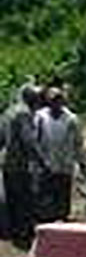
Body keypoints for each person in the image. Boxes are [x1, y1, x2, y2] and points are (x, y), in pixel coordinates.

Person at [34, 87, 83, 227]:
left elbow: (78, 143)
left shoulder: (72, 119)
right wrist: (39, 161)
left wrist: (81, 162)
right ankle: (46, 223)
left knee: (62, 197)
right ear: (48, 101)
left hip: (65, 165)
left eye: (58, 100)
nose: (55, 103)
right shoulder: (40, 116)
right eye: (52, 100)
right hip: (46, 164)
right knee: (45, 196)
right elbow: (35, 139)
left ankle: (62, 224)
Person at [2, 85, 44, 244]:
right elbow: (29, 141)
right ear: (30, 98)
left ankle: (13, 232)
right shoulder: (24, 113)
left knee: (12, 199)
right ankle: (23, 233)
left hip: (7, 162)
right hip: (20, 164)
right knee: (24, 200)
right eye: (37, 98)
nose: (39, 101)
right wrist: (41, 161)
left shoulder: (9, 111)